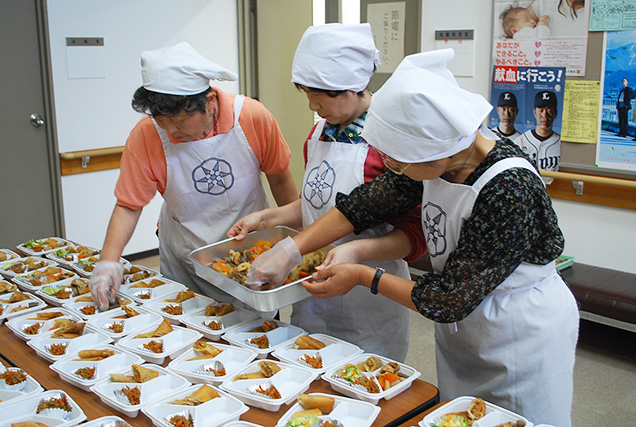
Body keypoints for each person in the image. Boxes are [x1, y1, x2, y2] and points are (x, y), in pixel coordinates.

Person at [243, 49, 579, 427]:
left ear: (440, 149)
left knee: (518, 419)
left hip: (519, 329)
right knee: (460, 414)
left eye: (398, 162)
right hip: (467, 322)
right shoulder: (437, 161)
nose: (392, 169)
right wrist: (290, 248)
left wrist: (361, 275)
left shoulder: (508, 189)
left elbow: (448, 299)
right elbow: (362, 206)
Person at [227, 23, 423, 361]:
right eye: (306, 94)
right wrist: (268, 216)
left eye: (320, 96)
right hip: (312, 291)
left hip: (370, 298)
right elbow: (318, 204)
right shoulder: (319, 132)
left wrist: (356, 254)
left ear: (351, 86)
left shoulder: (389, 143)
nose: (312, 106)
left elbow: (414, 235)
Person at [89, 42, 298, 310]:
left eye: (179, 121)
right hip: (186, 255)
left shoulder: (251, 117)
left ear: (209, 101)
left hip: (251, 248)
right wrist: (109, 260)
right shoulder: (146, 135)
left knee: (259, 333)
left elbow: (279, 178)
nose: (171, 131)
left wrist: (297, 239)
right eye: (162, 121)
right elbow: (130, 205)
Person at [513, 90, 561, 184]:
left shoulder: (561, 144)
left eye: (549, 111)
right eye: (541, 110)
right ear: (535, 112)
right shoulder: (519, 141)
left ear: (555, 114)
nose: (545, 115)